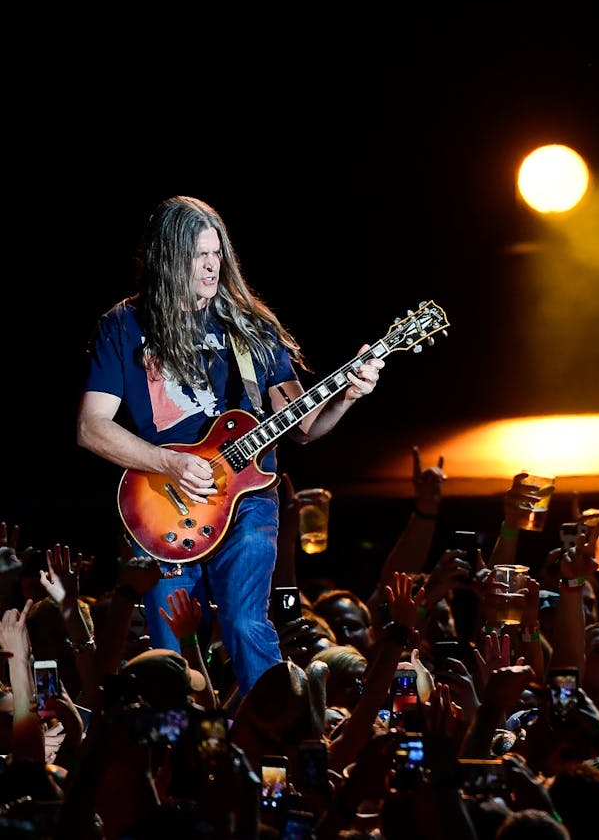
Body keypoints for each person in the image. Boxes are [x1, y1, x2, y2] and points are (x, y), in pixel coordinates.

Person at [76, 194, 383, 695]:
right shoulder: (124, 326)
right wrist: (167, 462)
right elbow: (92, 426)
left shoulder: (251, 328)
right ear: (166, 258)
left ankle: (276, 750)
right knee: (168, 649)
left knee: (245, 624)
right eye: (198, 254)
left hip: (247, 501)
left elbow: (302, 425)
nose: (211, 266)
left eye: (217, 253)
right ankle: (174, 754)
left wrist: (346, 396)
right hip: (162, 507)